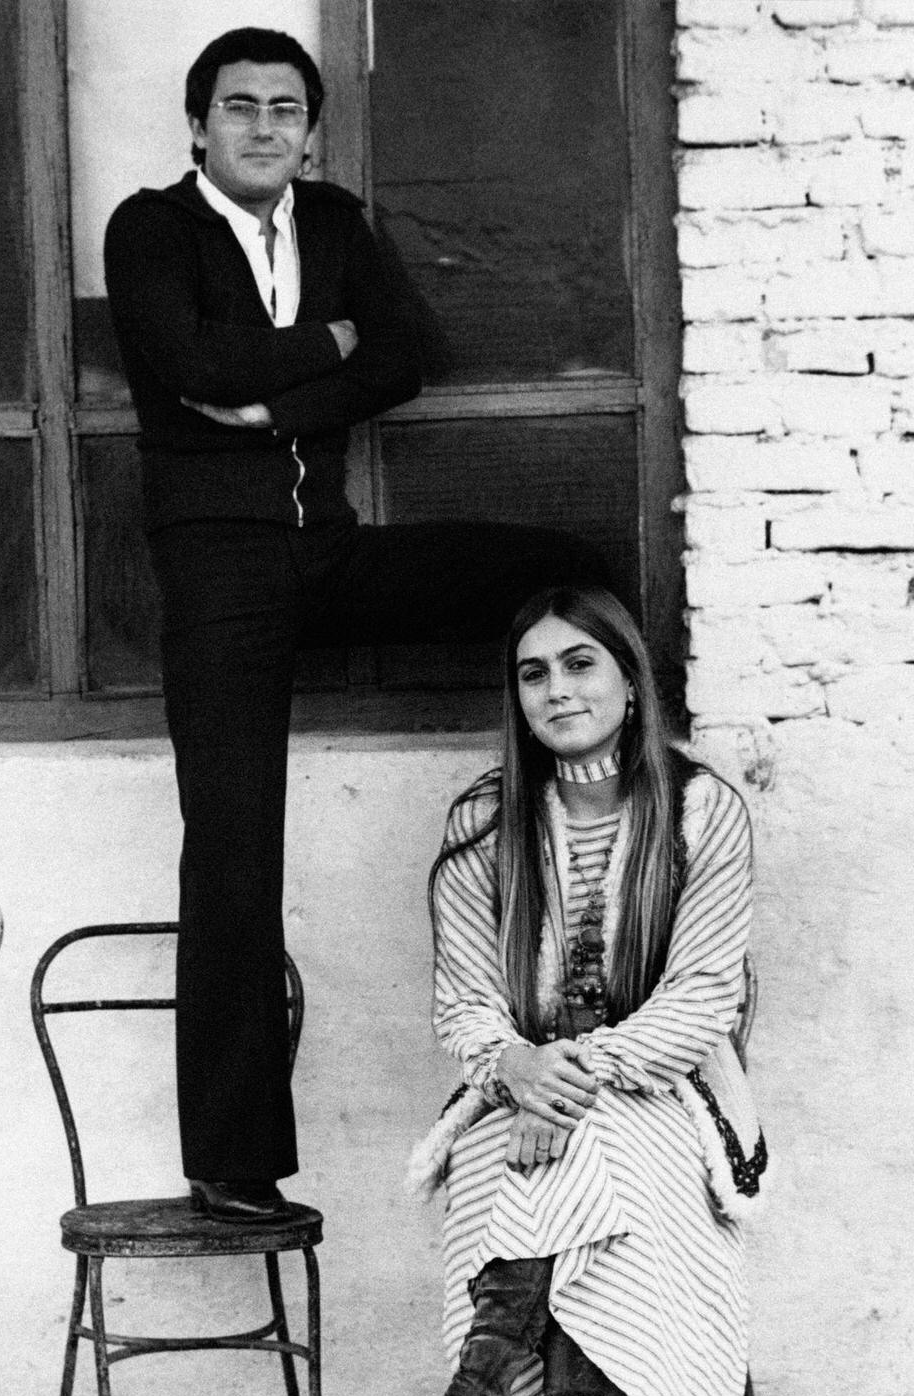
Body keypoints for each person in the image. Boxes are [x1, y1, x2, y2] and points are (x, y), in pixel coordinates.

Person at [104, 28, 601, 1220]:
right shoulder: (149, 228)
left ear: (310, 131)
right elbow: (179, 358)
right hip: (217, 575)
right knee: (232, 856)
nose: (264, 128)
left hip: (322, 552)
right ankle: (233, 1164)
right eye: (239, 108)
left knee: (565, 573)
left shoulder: (330, 224)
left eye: (286, 109)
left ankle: (608, 801)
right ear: (198, 125)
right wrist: (324, 346)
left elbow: (405, 358)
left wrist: (272, 390)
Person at [390, 585, 766, 1396]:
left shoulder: (699, 808)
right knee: (575, 1198)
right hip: (515, 1096)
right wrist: (516, 1063)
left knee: (599, 1170)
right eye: (533, 672)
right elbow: (462, 997)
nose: (556, 689)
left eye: (579, 665)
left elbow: (701, 999)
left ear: (630, 679)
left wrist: (573, 1072)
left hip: (668, 1091)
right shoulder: (482, 817)